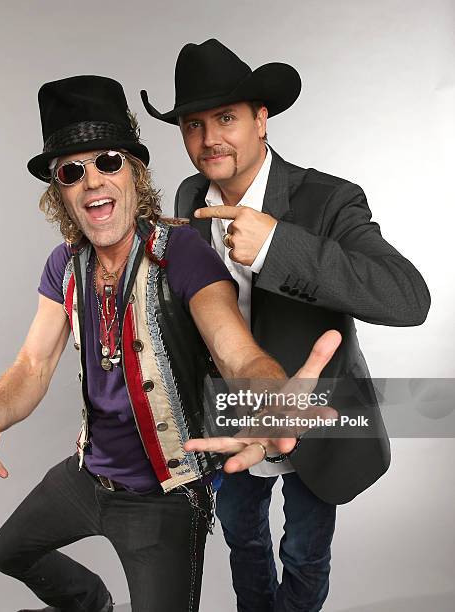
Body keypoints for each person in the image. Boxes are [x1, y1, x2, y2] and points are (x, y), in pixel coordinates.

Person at [0, 75, 340, 612]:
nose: (93, 182)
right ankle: (92, 604)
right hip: (86, 474)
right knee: (7, 552)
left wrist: (270, 396)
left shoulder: (183, 253)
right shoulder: (65, 265)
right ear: (60, 192)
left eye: (109, 162)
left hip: (162, 498)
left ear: (135, 173)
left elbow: (236, 351)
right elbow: (33, 364)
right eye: (72, 172)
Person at [141, 38, 431, 611]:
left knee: (302, 552)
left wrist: (277, 245)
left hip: (314, 416)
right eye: (193, 125)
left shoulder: (328, 200)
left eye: (226, 118)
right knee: (242, 541)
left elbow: (407, 298)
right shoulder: (189, 195)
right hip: (231, 415)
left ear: (261, 119)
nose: (209, 139)